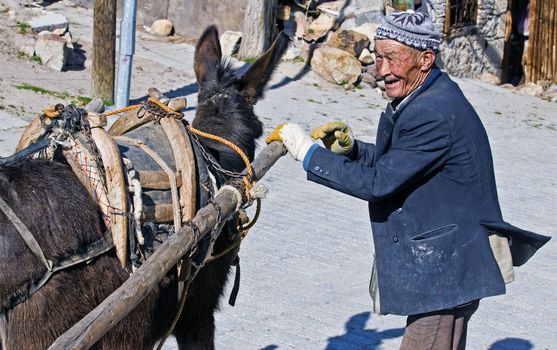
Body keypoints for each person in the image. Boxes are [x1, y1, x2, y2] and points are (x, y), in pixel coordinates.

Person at [266, 11, 550, 350]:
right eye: (378, 56)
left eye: (391, 58)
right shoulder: (428, 95)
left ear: (425, 59)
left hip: (445, 270)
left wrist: (308, 153)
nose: (382, 70)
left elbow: (378, 184)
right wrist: (353, 150)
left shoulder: (431, 113)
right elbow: (402, 164)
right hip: (453, 263)